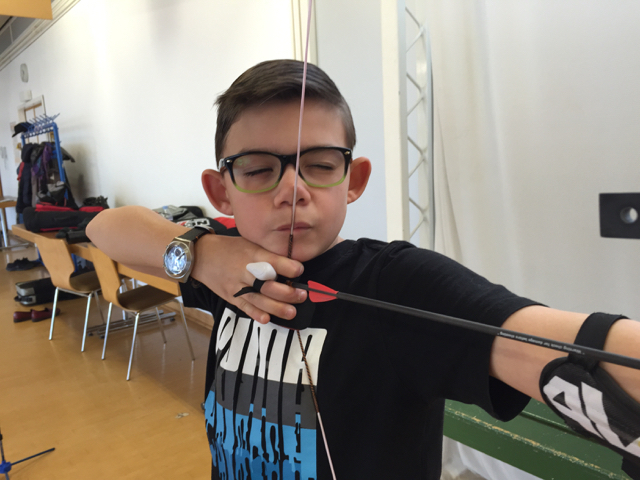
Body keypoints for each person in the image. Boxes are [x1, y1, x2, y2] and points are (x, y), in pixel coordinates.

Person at [87, 59, 640, 480]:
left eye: (320, 165)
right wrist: (205, 255)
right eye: (257, 170)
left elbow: (553, 344)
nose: (292, 190)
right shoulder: (224, 266)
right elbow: (106, 228)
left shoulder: (395, 281)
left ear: (353, 181)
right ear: (220, 191)